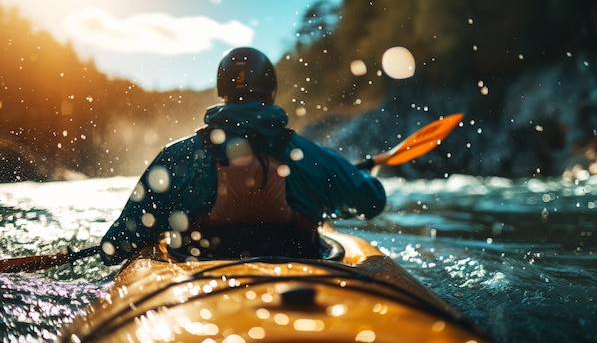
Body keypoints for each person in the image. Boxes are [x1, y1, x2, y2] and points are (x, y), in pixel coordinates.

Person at [99, 47, 386, 265]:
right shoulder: (309, 156)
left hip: (200, 276)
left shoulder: (179, 157)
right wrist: (335, 202)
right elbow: (372, 201)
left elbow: (116, 247)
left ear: (222, 94)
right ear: (271, 93)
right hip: (297, 269)